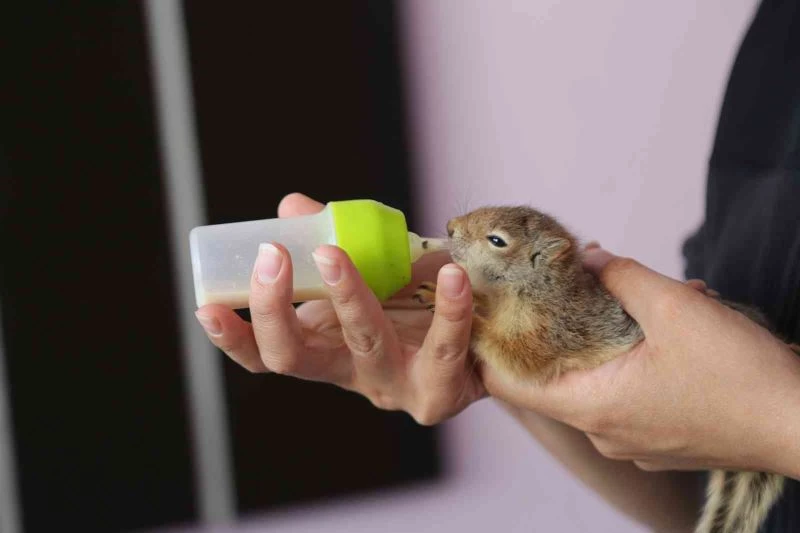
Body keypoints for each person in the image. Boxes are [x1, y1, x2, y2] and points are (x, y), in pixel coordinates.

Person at [193, 0, 800, 530]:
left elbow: (552, 356)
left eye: (499, 243)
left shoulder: (549, 309)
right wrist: (462, 350)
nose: (455, 231)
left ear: (545, 260)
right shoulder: (775, 41)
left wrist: (770, 418)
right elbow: (682, 470)